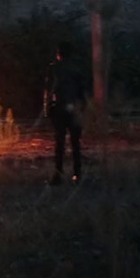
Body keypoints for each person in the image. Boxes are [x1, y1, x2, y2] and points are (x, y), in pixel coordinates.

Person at [43, 41, 87, 185]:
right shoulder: (77, 69)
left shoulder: (53, 69)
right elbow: (82, 92)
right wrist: (82, 108)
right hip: (74, 108)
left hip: (59, 108)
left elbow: (49, 91)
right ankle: (77, 173)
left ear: (59, 54)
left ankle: (58, 174)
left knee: (60, 142)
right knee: (75, 142)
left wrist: (47, 108)